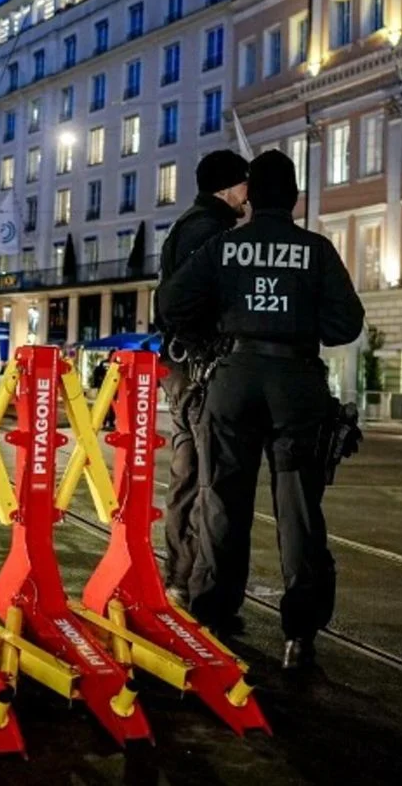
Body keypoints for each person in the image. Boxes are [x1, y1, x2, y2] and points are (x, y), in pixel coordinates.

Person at [157, 150, 364, 669]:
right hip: (296, 383)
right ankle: (299, 632)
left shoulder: (226, 247)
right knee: (298, 508)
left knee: (224, 497)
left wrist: (224, 317)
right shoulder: (316, 251)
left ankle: (214, 610)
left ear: (252, 196)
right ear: (293, 198)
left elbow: (171, 303)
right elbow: (346, 325)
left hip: (234, 377)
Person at [151, 149, 249, 608]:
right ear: (229, 188)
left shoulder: (193, 224)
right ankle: (186, 580)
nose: (248, 192)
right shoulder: (208, 231)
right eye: (243, 184)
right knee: (201, 472)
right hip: (198, 365)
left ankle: (179, 575)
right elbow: (184, 299)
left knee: (189, 468)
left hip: (184, 363)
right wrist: (209, 343)